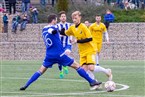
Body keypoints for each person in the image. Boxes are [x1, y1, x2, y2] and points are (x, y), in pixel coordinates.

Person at [19, 14, 102, 91]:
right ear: (53, 20)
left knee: (40, 71)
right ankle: (92, 81)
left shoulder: (43, 29)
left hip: (49, 55)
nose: (56, 21)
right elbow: (52, 31)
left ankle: (26, 85)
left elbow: (54, 32)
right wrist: (55, 30)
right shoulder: (52, 28)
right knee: (77, 66)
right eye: (55, 20)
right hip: (59, 54)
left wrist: (61, 31)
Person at [59, 11, 111, 90]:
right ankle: (95, 82)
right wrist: (60, 31)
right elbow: (66, 33)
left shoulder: (83, 26)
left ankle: (107, 71)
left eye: (76, 18)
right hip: (82, 52)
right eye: (73, 18)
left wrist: (77, 41)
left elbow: (90, 38)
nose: (74, 20)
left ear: (80, 18)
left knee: (91, 68)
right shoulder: (72, 27)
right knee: (84, 70)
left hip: (90, 49)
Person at [89, 14, 112, 81]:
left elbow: (105, 32)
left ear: (100, 18)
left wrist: (107, 39)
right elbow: (89, 33)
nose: (98, 19)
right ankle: (97, 64)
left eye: (99, 18)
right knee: (95, 51)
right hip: (94, 41)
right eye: (97, 18)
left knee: (98, 52)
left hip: (100, 41)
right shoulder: (92, 26)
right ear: (95, 18)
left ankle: (97, 63)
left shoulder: (103, 25)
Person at [57, 11, 72, 79]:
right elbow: (56, 35)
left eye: (64, 16)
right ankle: (61, 71)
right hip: (60, 45)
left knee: (67, 52)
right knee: (59, 59)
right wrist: (61, 35)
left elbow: (71, 33)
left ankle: (65, 65)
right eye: (62, 16)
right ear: (60, 18)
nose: (63, 18)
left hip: (67, 43)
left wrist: (71, 38)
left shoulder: (69, 25)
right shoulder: (57, 26)